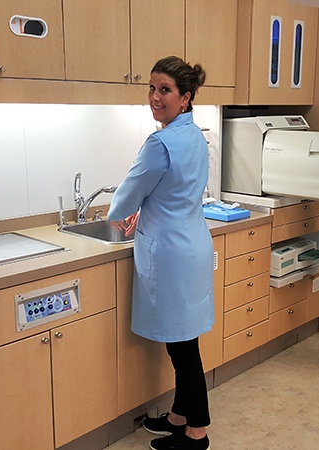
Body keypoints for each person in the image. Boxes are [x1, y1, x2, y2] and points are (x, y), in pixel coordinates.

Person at [108, 56, 213, 450]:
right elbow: (169, 190)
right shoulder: (194, 135)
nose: (155, 97)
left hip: (171, 252)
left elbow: (130, 191)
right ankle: (178, 417)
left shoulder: (161, 142)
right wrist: (146, 209)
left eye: (165, 90)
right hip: (191, 243)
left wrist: (121, 214)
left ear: (185, 98)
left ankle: (196, 433)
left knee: (182, 349)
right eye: (152, 88)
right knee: (185, 341)